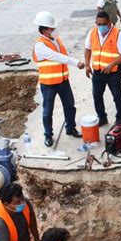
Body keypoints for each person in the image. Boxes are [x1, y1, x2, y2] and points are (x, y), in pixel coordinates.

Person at [33, 11, 85, 147]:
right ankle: (48, 135)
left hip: (63, 80)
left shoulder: (57, 40)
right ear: (44, 30)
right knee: (47, 111)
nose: (55, 30)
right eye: (52, 28)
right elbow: (58, 57)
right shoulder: (40, 45)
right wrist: (75, 62)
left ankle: (70, 128)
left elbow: (64, 54)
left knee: (70, 106)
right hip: (49, 84)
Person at [85, 11, 121, 126]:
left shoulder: (118, 34)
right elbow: (87, 49)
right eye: (98, 24)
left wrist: (112, 65)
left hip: (113, 72)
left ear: (109, 22)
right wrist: (87, 65)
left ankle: (120, 119)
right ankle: (102, 117)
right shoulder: (93, 32)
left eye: (103, 24)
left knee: (117, 95)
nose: (100, 26)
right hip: (98, 71)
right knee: (97, 95)